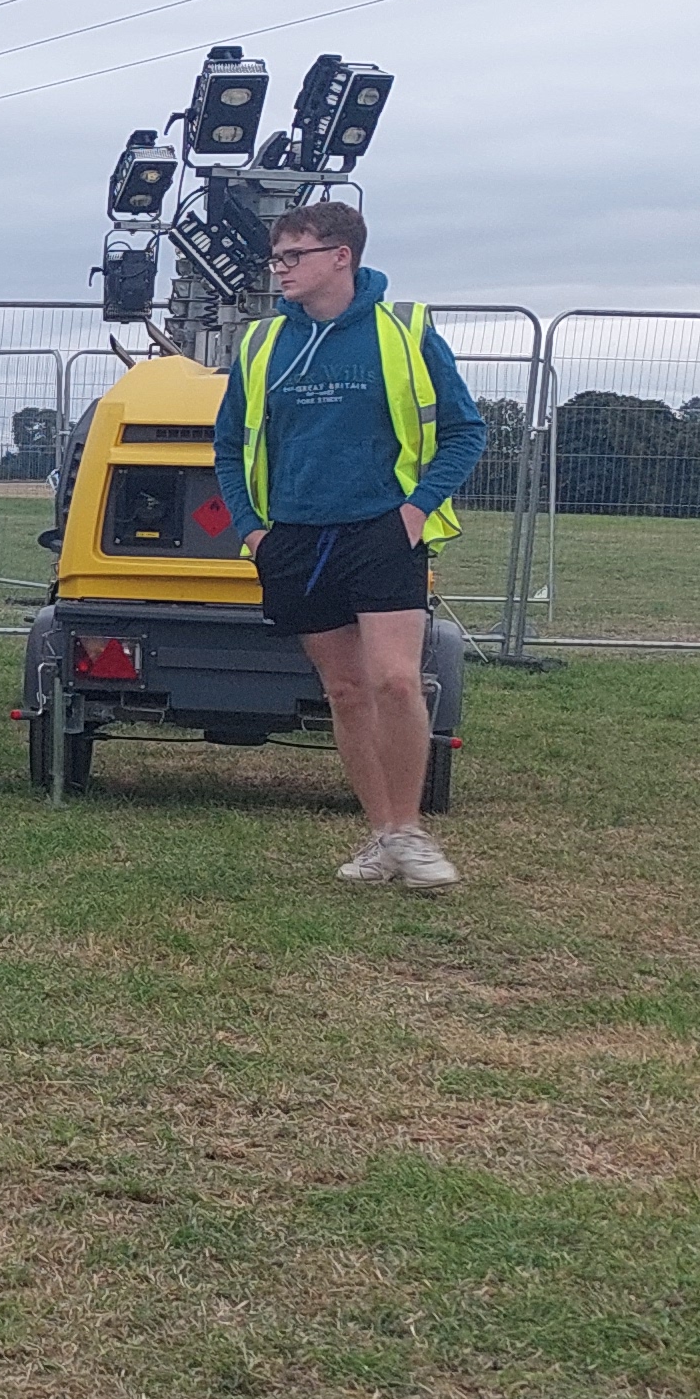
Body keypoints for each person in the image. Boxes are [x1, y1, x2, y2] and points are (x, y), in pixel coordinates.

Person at [211, 198, 485, 888]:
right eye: (276, 259)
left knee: (395, 679)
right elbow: (228, 443)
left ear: (342, 256)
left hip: (382, 530)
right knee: (346, 689)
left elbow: (464, 430)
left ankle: (409, 833)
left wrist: (417, 511)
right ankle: (382, 837)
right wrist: (252, 529)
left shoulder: (405, 331)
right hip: (295, 537)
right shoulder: (260, 343)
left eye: (292, 257)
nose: (280, 271)